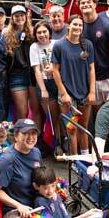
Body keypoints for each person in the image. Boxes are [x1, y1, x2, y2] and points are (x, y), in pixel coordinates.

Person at [52, 15, 96, 156]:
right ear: (68, 26)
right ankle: (74, 161)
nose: (78, 27)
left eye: (80, 25)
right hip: (68, 95)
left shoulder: (88, 44)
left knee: (84, 128)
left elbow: (91, 69)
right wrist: (63, 93)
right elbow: (55, 70)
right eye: (75, 24)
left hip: (84, 93)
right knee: (71, 129)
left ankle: (85, 159)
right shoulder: (59, 45)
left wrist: (92, 91)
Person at [77, 0, 109, 110]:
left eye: (89, 2)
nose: (86, 4)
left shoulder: (108, 26)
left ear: (95, 5)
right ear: (79, 6)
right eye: (82, 3)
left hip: (106, 79)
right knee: (90, 116)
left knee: (106, 114)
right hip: (85, 80)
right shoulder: (77, 27)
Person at [3, 5, 40, 127]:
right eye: (16, 16)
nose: (19, 18)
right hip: (16, 74)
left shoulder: (32, 31)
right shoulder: (6, 34)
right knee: (22, 112)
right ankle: (21, 138)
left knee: (36, 110)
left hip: (32, 73)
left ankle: (37, 138)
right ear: (12, 18)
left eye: (21, 15)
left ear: (26, 17)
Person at [30, 21, 63, 155]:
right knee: (52, 116)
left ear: (50, 32)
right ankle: (56, 145)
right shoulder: (34, 47)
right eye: (39, 32)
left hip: (58, 82)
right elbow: (37, 70)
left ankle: (63, 143)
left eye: (44, 31)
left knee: (62, 116)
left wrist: (55, 69)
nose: (42, 35)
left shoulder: (56, 44)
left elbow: (62, 63)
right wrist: (43, 89)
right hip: (44, 82)